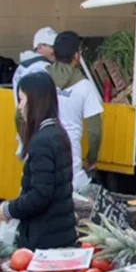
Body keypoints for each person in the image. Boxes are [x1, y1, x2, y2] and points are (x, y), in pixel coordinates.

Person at [0, 73, 76, 250]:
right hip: (61, 233)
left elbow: (40, 195)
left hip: (45, 239)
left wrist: (8, 210)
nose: (19, 108)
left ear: (35, 101)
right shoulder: (57, 133)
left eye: (21, 100)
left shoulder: (42, 141)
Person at [48, 32, 104, 192]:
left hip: (41, 155)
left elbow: (21, 116)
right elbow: (95, 132)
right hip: (69, 159)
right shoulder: (84, 87)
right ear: (77, 55)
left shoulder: (42, 78)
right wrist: (91, 159)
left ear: (54, 54)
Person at [12, 27, 58, 157]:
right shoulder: (42, 69)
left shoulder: (22, 67)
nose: (56, 51)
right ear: (40, 47)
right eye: (52, 46)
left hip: (26, 133)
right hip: (37, 133)